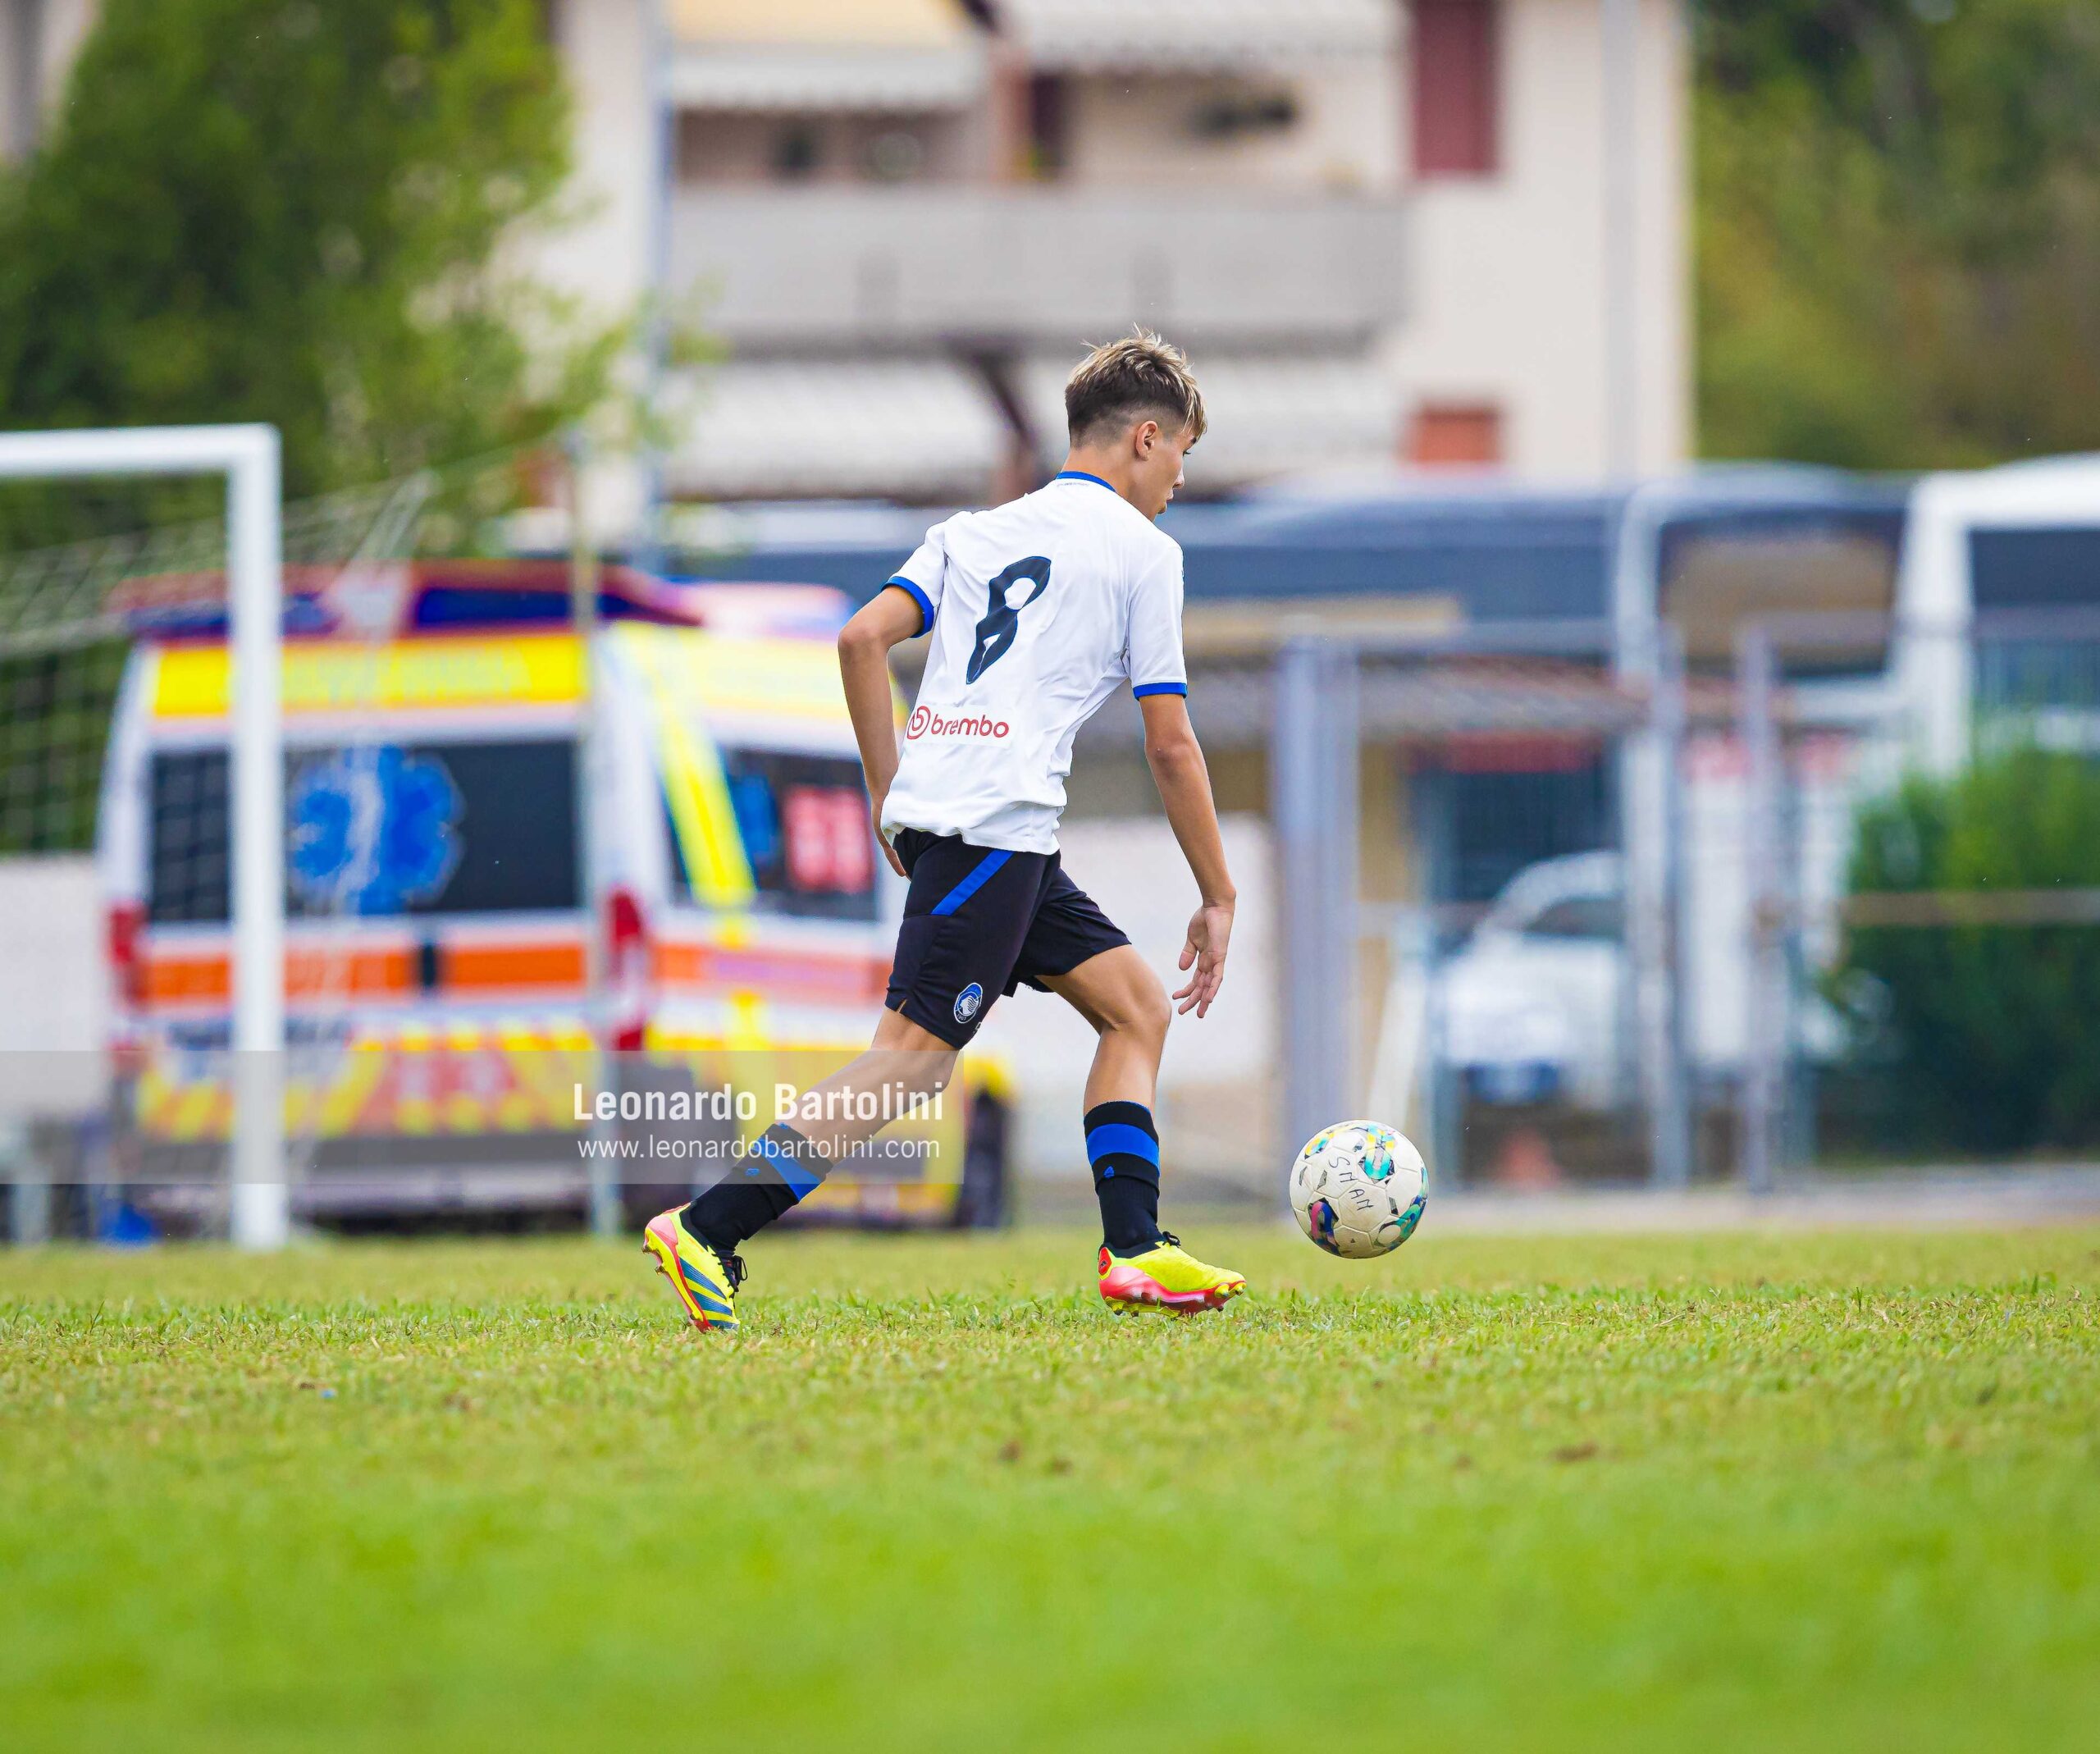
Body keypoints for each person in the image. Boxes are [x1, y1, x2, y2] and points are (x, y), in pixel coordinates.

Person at [644, 331, 1244, 1332]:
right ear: (1146, 437)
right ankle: (708, 1226)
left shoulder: (971, 532)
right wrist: (1217, 894)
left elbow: (860, 636)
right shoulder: (1145, 554)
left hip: (973, 826)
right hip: (993, 828)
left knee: (1136, 1007)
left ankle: (1136, 1247)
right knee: (913, 1059)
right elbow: (1172, 743)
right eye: (1182, 451)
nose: (1181, 476)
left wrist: (892, 790)